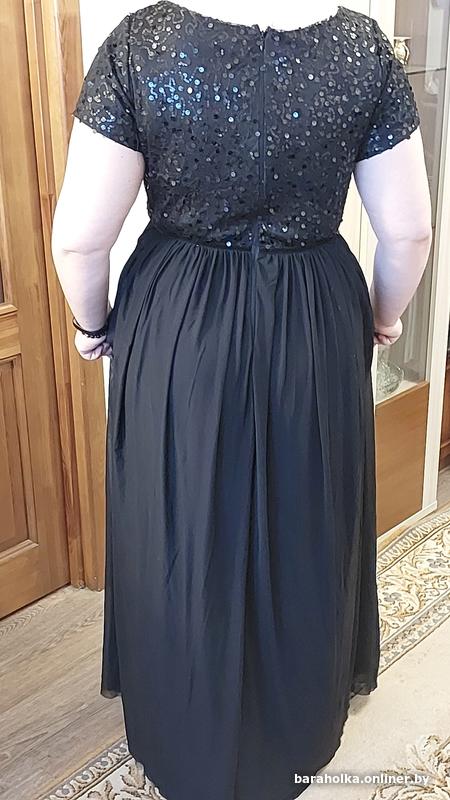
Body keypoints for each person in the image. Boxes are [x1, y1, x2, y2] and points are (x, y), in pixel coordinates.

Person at [51, 3, 432, 799]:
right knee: (306, 511)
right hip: (314, 312)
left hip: (179, 316)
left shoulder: (142, 43)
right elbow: (409, 234)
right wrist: (386, 315)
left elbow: (81, 238)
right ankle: (297, 722)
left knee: (178, 514)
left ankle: (183, 723)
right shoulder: (362, 49)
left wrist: (93, 323)